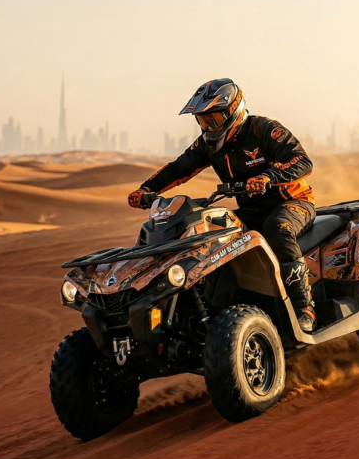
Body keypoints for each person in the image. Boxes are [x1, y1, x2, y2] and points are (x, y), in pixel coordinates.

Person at [127, 79, 318, 331]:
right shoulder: (207, 145)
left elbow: (302, 161)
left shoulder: (264, 129)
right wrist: (146, 189)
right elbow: (178, 168)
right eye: (203, 121)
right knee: (212, 237)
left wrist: (268, 177)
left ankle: (304, 306)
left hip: (293, 203)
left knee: (277, 229)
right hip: (251, 211)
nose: (208, 126)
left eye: (214, 119)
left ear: (234, 112)